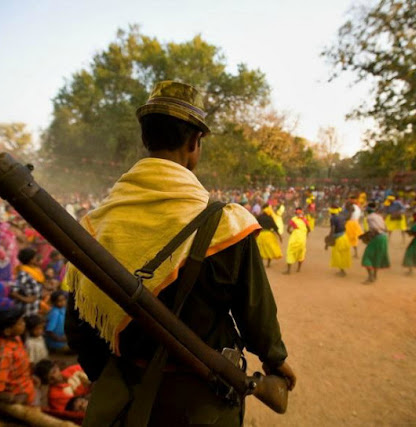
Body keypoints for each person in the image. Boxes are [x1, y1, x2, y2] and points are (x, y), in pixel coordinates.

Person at [65, 81, 295, 426]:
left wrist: (115, 373)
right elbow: (256, 315)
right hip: (202, 403)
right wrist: (276, 362)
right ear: (194, 142)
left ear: (146, 139)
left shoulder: (96, 225)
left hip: (123, 399)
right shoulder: (226, 224)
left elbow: (79, 324)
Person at [0, 308, 36, 405]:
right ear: (7, 331)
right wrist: (14, 399)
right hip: (19, 394)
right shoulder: (3, 355)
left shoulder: (15, 338)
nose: (24, 324)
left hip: (26, 386)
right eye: (20, 323)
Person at [360, 203, 390, 283]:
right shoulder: (379, 216)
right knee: (377, 256)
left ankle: (370, 277)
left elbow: (374, 229)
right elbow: (386, 229)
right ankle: (375, 276)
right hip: (384, 238)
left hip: (377, 238)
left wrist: (365, 236)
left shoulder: (369, 217)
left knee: (367, 257)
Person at [10, 248, 43, 316]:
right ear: (31, 260)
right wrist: (26, 299)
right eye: (35, 257)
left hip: (34, 309)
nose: (37, 258)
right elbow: (13, 292)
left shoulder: (35, 271)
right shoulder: (23, 273)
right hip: (25, 311)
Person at [283, 207, 310, 274]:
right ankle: (298, 269)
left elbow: (288, 229)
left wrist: (291, 233)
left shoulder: (293, 219)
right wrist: (306, 234)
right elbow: (309, 229)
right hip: (303, 238)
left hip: (295, 237)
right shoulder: (305, 220)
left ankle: (288, 270)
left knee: (290, 251)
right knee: (301, 252)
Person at [328, 206, 352, 276]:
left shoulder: (333, 218)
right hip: (345, 237)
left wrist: (329, 238)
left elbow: (332, 229)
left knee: (338, 255)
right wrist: (350, 211)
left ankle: (342, 271)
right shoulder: (341, 216)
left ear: (331, 212)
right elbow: (348, 218)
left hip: (339, 238)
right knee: (343, 254)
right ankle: (342, 270)